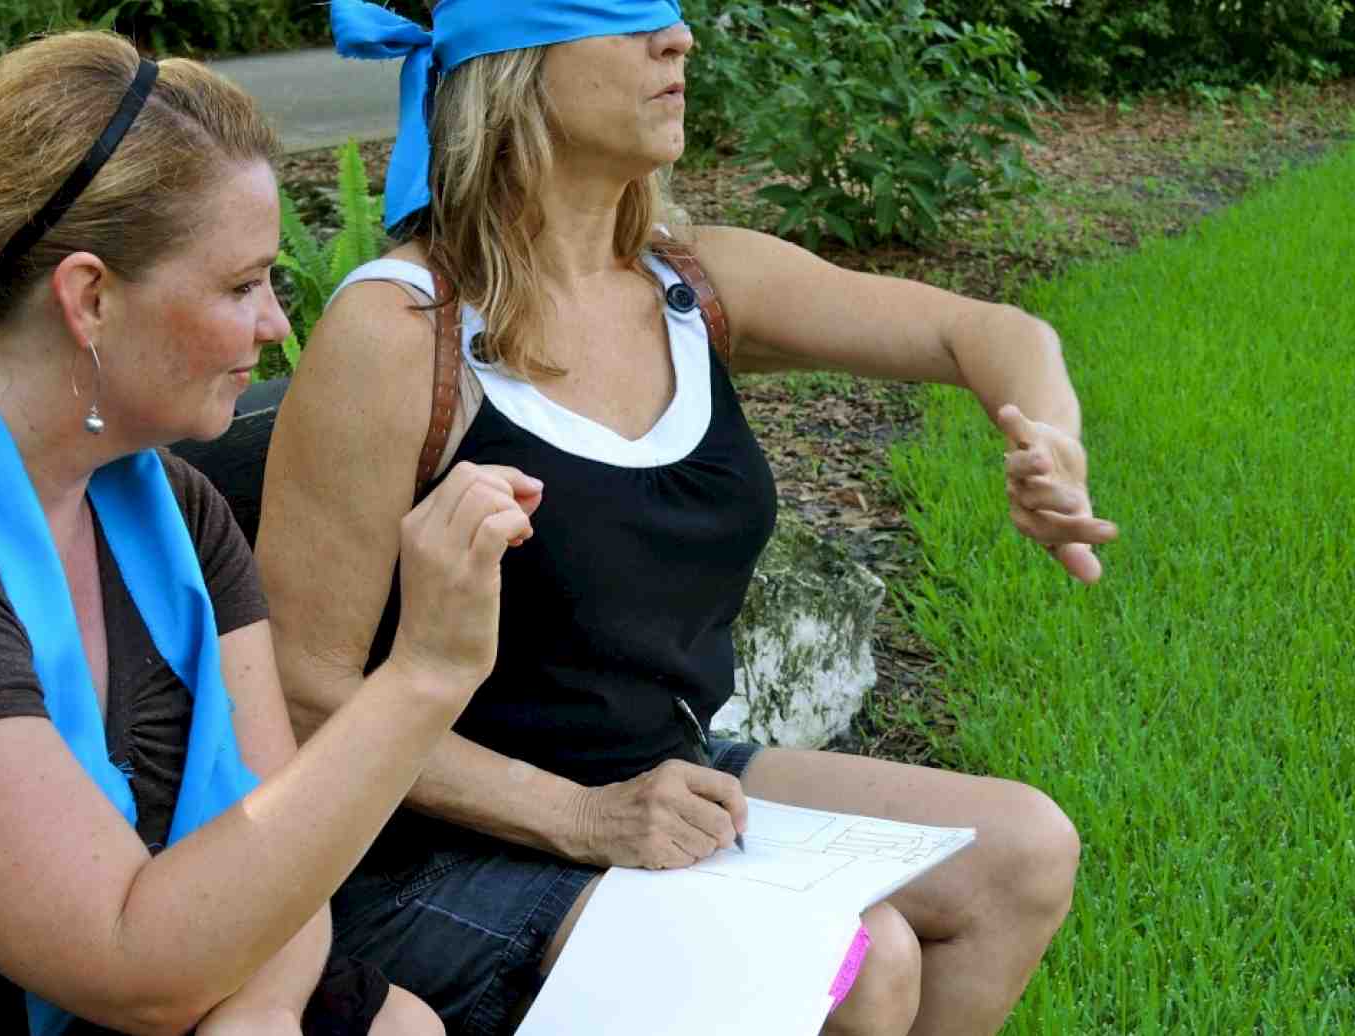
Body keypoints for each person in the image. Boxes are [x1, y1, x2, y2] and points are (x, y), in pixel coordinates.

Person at [257, 2, 1121, 1034]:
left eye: (669, 16)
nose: (678, 41)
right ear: (511, 64)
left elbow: (983, 331)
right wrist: (579, 817)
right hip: (426, 848)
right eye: (625, 19)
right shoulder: (401, 331)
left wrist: (1047, 440)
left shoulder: (690, 282)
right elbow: (301, 692)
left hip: (664, 782)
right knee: (859, 958)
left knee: (1020, 850)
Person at [0, 31, 535, 1036]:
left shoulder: (171, 508)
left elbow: (275, 854)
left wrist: (256, 1018)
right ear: (89, 297)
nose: (274, 326)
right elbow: (135, 965)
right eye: (240, 284)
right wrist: (424, 674)